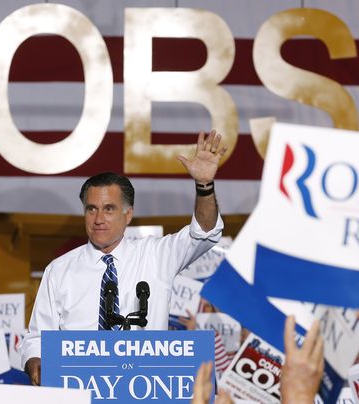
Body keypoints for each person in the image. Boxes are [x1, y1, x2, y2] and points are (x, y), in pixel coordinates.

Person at [21, 131, 228, 385]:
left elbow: (204, 233)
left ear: (128, 214)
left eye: (109, 209)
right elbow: (37, 338)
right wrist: (36, 362)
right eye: (91, 209)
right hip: (78, 390)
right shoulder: (59, 270)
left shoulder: (157, 255)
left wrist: (204, 186)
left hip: (145, 389)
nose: (98, 219)